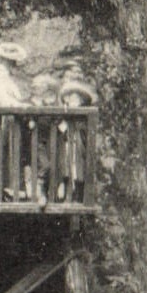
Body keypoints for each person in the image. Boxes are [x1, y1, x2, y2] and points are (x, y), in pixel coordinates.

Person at [0, 42, 27, 199]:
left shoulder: (11, 77)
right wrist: (20, 106)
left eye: (14, 59)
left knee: (11, 153)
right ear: (3, 59)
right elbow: (2, 99)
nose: (13, 62)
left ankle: (10, 190)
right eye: (10, 59)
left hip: (11, 119)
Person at [55, 69, 97, 202]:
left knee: (78, 170)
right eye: (70, 98)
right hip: (67, 147)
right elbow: (60, 128)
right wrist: (65, 115)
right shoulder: (65, 115)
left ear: (81, 100)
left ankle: (77, 196)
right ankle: (65, 191)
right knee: (65, 167)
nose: (72, 101)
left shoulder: (83, 117)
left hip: (78, 149)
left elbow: (83, 131)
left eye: (75, 98)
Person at [27, 72, 60, 205]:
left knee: (52, 166)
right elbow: (27, 115)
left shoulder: (50, 103)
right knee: (45, 165)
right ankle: (40, 192)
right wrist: (30, 120)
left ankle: (46, 195)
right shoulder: (32, 102)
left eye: (41, 86)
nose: (37, 89)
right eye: (36, 87)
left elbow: (56, 118)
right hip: (37, 139)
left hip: (50, 139)